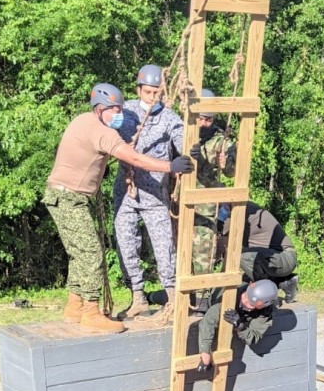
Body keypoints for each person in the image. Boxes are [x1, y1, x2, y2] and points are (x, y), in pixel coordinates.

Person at [43, 82, 192, 334]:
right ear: (100, 109)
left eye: (120, 109)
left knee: (79, 253)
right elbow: (133, 157)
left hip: (62, 196)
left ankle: (75, 305)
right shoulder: (102, 131)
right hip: (69, 198)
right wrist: (170, 167)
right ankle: (91, 311)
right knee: (91, 254)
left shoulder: (82, 120)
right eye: (113, 110)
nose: (119, 115)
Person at [113, 64, 184, 324]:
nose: (152, 97)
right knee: (126, 243)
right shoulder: (125, 111)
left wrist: (189, 152)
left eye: (157, 92)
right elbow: (104, 131)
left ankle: (173, 298)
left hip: (155, 194)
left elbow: (182, 139)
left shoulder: (169, 117)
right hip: (127, 192)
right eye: (148, 92)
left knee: (164, 247)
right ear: (139, 90)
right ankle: (138, 297)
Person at [188, 89, 237, 314]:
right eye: (201, 117)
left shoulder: (220, 140)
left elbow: (230, 171)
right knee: (179, 250)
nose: (204, 123)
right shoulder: (184, 131)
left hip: (205, 204)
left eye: (209, 118)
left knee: (203, 250)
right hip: (180, 200)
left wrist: (218, 160)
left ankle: (202, 298)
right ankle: (181, 296)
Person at [218, 201, 298, 303]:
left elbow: (222, 248)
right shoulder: (238, 207)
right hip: (266, 261)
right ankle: (284, 282)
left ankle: (267, 294)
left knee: (240, 256)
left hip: (283, 257)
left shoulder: (237, 210)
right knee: (241, 290)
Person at [196, 279, 279, 373]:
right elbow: (209, 321)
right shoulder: (231, 293)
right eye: (246, 296)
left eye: (250, 304)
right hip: (215, 298)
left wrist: (240, 326)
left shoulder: (264, 312)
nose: (245, 301)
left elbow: (254, 336)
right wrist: (205, 353)